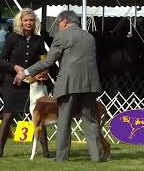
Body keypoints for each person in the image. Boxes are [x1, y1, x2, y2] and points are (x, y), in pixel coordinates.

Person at [13, 10, 106, 162]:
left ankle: (62, 158)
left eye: (58, 24)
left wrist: (26, 72)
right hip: (90, 83)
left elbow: (48, 61)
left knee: (64, 120)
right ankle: (97, 157)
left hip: (69, 84)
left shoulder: (62, 36)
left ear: (64, 22)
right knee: (90, 120)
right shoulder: (89, 37)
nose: (58, 27)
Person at [0, 8, 51, 158]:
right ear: (20, 22)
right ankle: (0, 151)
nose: (28, 23)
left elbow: (43, 61)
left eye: (31, 20)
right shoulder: (12, 38)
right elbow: (0, 60)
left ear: (35, 22)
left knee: (39, 116)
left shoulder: (39, 40)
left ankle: (46, 152)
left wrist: (43, 72)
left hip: (32, 84)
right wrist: (15, 67)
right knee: (7, 116)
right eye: (25, 20)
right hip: (12, 83)